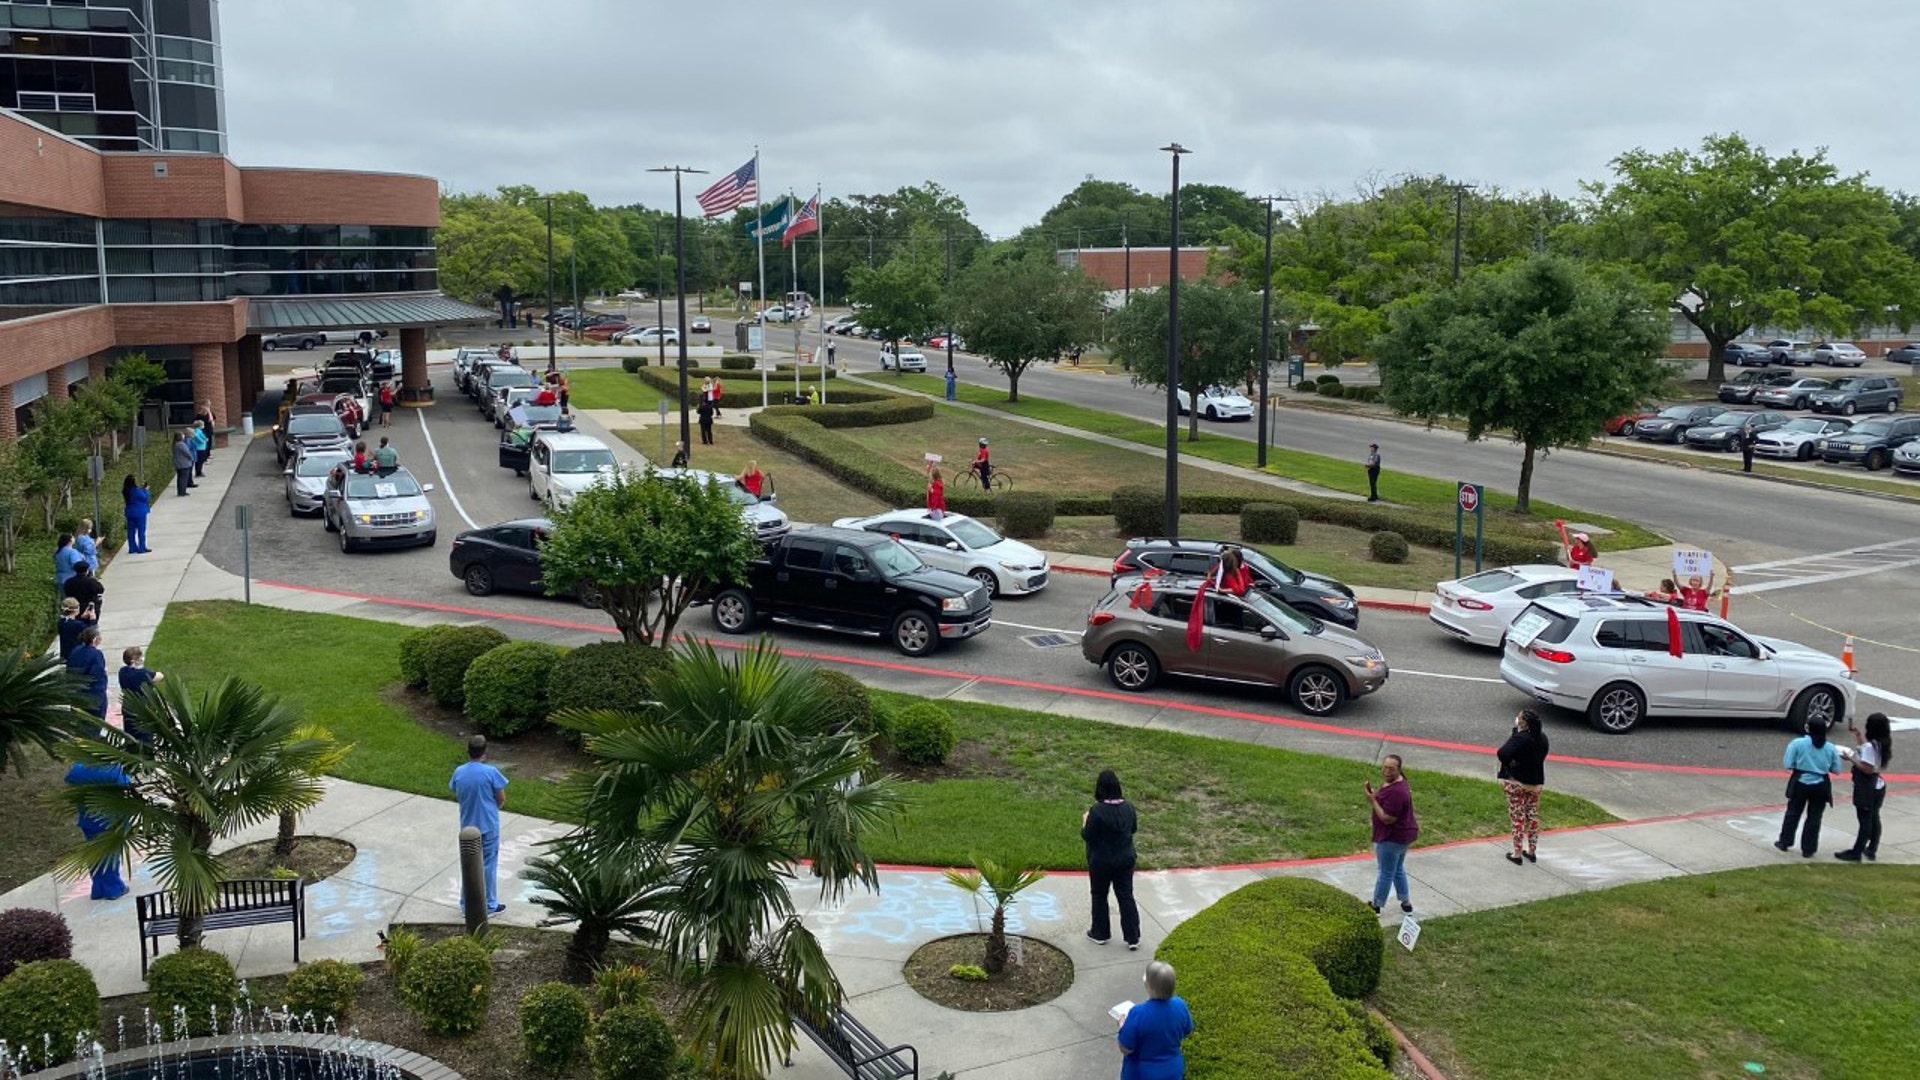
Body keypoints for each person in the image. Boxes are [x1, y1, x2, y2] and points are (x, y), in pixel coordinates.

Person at [449, 735, 509, 914]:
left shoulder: (459, 772)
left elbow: (456, 791)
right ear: (484, 753)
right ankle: (489, 904)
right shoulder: (491, 772)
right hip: (488, 825)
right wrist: (494, 808)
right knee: (488, 865)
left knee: (469, 864)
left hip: (468, 826)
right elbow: (501, 798)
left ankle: (466, 905)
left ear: (468, 751)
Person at [1081, 769, 1140, 950]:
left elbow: (1088, 835)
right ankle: (1132, 937)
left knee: (1099, 895)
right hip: (1125, 859)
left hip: (1101, 861)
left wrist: (1085, 821)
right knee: (1126, 895)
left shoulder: (1097, 811)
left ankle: (1100, 933)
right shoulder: (1128, 807)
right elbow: (1133, 829)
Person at [64, 760, 130, 900]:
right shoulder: (113, 769)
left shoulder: (78, 768)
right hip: (111, 818)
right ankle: (113, 889)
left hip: (88, 818)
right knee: (111, 854)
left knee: (94, 854)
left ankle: (98, 888)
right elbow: (126, 784)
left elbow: (68, 780)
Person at [1117, 960, 1193, 1080]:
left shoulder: (1138, 1013)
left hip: (1140, 1073)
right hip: (1172, 1071)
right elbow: (1188, 1031)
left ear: (1149, 986)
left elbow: (1126, 1048)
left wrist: (1122, 1025)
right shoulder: (1180, 1005)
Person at [1776, 720, 1841, 857]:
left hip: (1800, 782)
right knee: (1815, 817)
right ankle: (1808, 848)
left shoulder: (1797, 744)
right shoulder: (1830, 748)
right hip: (1821, 784)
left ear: (1808, 729)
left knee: (1793, 813)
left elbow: (1788, 764)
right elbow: (1836, 769)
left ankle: (1785, 842)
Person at [1365, 754, 1418, 914]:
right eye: (1385, 767)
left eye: (1391, 769)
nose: (1387, 772)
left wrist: (1372, 800)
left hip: (1391, 838)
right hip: (1404, 837)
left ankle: (1376, 905)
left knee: (1386, 872)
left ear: (1399, 770)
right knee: (1398, 869)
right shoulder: (1398, 784)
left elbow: (1388, 818)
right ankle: (1405, 902)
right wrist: (1376, 796)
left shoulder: (1397, 792)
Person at [1496, 710, 1550, 864]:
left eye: (1519, 717)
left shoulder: (1521, 738)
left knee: (1518, 818)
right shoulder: (1542, 738)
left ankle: (1517, 853)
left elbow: (1502, 753)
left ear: (1523, 722)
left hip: (1517, 784)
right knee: (1532, 817)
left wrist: (1513, 763)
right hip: (1535, 784)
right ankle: (1532, 851)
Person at [1836, 713, 1892, 862]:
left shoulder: (1870, 747)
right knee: (1874, 817)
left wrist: (1851, 759)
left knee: (1865, 820)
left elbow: (1866, 768)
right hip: (1878, 786)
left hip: (1867, 788)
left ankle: (1856, 852)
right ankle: (1872, 848)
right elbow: (1870, 758)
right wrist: (1859, 738)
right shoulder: (1883, 743)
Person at [117, 645, 164, 744]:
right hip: (142, 708)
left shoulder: (122, 672)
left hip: (128, 707)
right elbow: (159, 676)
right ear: (135, 660)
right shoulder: (142, 674)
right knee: (145, 738)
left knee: (130, 735)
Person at [67, 625, 108, 720]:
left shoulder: (75, 650)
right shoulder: (96, 654)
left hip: (76, 694)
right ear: (95, 639)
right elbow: (96, 675)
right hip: (93, 696)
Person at [123, 474, 151, 554]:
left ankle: (132, 547)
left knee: (131, 531)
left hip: (130, 512)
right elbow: (145, 498)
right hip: (139, 512)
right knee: (141, 530)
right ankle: (142, 547)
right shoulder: (136, 491)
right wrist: (146, 490)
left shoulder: (126, 491)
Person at [171, 432, 195, 496]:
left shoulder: (176, 444)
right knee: (183, 478)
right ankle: (182, 491)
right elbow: (187, 453)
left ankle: (180, 491)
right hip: (184, 464)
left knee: (180, 478)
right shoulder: (181, 444)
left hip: (179, 464)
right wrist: (191, 457)